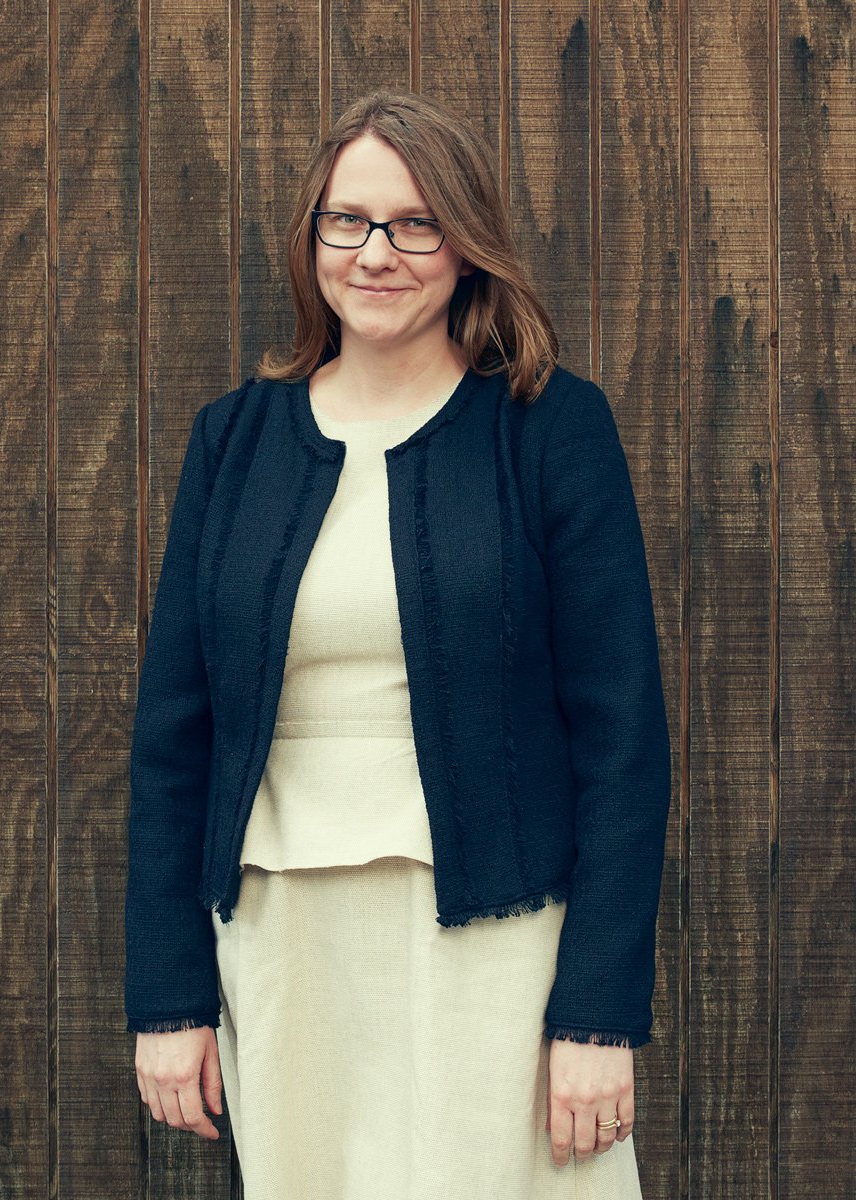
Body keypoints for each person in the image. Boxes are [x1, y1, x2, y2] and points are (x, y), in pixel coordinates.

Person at [124, 89, 671, 1199]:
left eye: (415, 224)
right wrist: (169, 998)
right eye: (349, 220)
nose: (375, 253)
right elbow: (173, 741)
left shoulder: (548, 428)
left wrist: (596, 1015)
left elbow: (622, 738)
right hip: (284, 934)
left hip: (499, 937)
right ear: (313, 237)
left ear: (466, 246)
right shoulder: (232, 440)